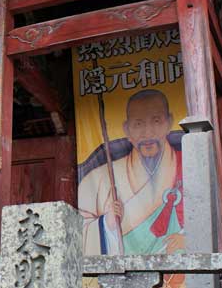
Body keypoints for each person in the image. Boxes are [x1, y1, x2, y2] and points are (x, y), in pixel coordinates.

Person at [79, 89, 185, 256]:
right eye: (138, 124)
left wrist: (189, 240)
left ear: (169, 123)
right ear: (126, 130)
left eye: (156, 121)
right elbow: (78, 235)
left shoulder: (189, 169)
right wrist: (106, 225)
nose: (148, 132)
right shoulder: (98, 180)